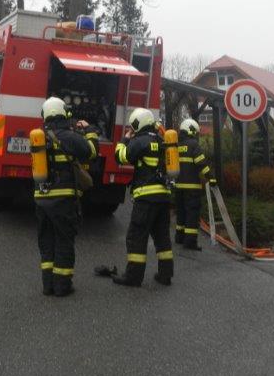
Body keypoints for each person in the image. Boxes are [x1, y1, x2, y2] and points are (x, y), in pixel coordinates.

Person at [34, 97, 98, 297]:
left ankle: (48, 285)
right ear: (64, 113)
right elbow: (91, 152)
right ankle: (62, 286)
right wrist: (90, 131)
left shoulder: (39, 138)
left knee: (46, 241)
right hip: (63, 199)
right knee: (64, 240)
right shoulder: (69, 137)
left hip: (41, 198)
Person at [112, 108, 174, 287]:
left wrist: (125, 139)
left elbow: (121, 157)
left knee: (136, 236)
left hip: (146, 198)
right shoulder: (162, 141)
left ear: (138, 123)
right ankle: (165, 275)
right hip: (163, 197)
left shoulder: (140, 141)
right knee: (162, 237)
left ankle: (133, 277)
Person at [174, 118, 216, 251]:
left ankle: (179, 237)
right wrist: (211, 178)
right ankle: (190, 242)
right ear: (191, 130)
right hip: (192, 188)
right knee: (192, 214)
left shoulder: (177, 145)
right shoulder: (193, 144)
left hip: (178, 186)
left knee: (181, 213)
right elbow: (201, 163)